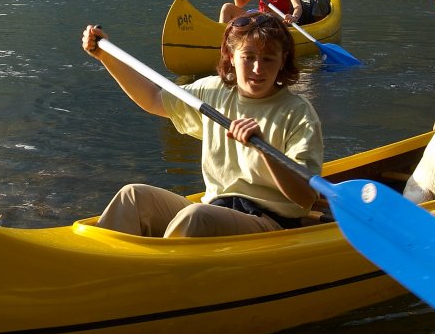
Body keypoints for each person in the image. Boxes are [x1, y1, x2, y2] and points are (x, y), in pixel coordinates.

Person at [80, 15, 323, 238]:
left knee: (195, 216)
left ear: (282, 61)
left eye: (268, 59)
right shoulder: (213, 91)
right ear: (231, 56)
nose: (258, 68)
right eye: (248, 57)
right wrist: (106, 57)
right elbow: (153, 98)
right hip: (216, 207)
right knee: (132, 196)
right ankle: (93, 269)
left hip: (269, 221)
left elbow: (305, 198)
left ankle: (155, 276)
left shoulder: (298, 113)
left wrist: (265, 151)